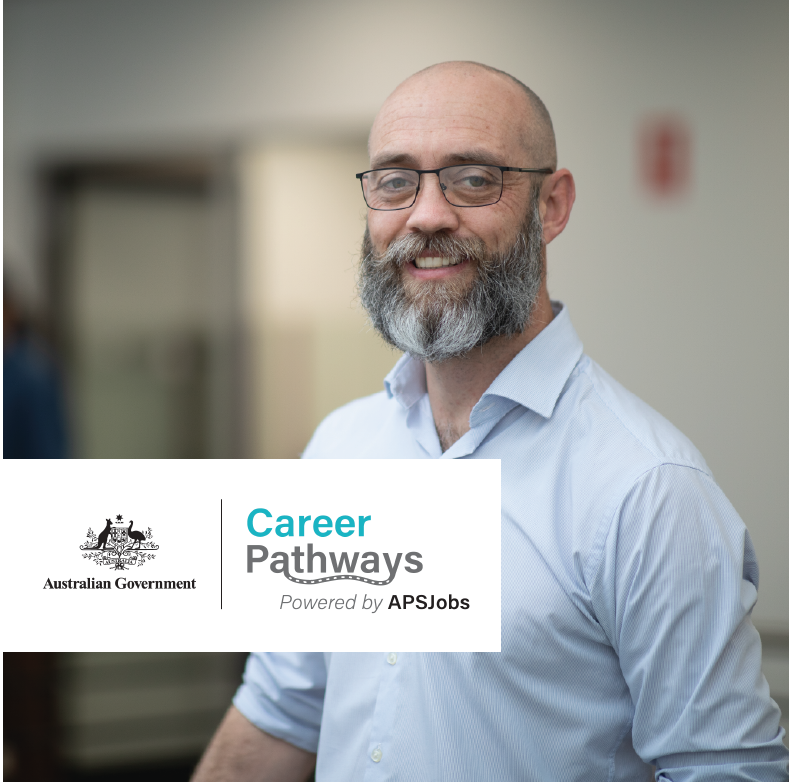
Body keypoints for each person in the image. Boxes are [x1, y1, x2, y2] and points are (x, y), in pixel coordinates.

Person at [193, 62, 787, 781]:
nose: (428, 215)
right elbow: (280, 713)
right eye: (395, 180)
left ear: (552, 205)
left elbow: (724, 771)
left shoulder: (647, 489)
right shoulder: (340, 449)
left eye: (473, 178)